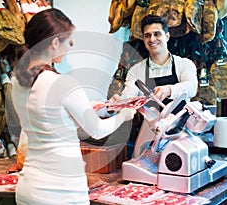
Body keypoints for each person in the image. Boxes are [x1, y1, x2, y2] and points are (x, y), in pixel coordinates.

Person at [11, 8, 136, 205]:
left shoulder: (17, 82)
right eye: (68, 40)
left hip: (29, 190)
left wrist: (85, 106)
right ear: (54, 42)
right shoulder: (61, 84)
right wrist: (125, 115)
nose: (70, 45)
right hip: (62, 193)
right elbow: (97, 130)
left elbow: (47, 117)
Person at [112, 14, 198, 157]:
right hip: (148, 137)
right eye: (147, 35)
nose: (152, 39)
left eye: (157, 34)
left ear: (167, 36)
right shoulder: (136, 70)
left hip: (180, 135)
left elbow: (191, 88)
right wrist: (119, 102)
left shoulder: (184, 64)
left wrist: (169, 89)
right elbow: (129, 96)